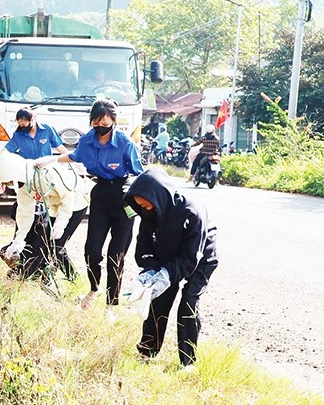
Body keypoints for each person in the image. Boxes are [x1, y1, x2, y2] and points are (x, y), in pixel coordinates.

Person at [35, 98, 144, 310]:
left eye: (106, 124)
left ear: (113, 121)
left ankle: (111, 306)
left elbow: (139, 173)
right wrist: (50, 159)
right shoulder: (87, 140)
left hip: (124, 197)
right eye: (97, 124)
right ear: (91, 122)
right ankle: (94, 288)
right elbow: (75, 156)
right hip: (101, 195)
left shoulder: (125, 143)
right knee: (92, 250)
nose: (101, 128)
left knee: (116, 255)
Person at [123, 166, 218, 367]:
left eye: (147, 205)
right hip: (168, 253)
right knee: (158, 299)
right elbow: (145, 246)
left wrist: (167, 274)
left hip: (200, 257)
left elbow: (191, 255)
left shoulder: (191, 211)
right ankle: (147, 351)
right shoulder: (149, 212)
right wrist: (149, 271)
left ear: (158, 195)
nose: (144, 210)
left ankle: (188, 362)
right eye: (141, 207)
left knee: (188, 304)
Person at [0, 153, 92, 281]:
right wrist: (17, 241)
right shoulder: (23, 186)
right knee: (44, 243)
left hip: (76, 201)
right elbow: (25, 214)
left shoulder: (46, 174)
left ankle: (73, 280)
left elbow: (67, 198)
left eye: (9, 182)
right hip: (54, 205)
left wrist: (60, 224)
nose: (9, 186)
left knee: (56, 247)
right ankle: (42, 278)